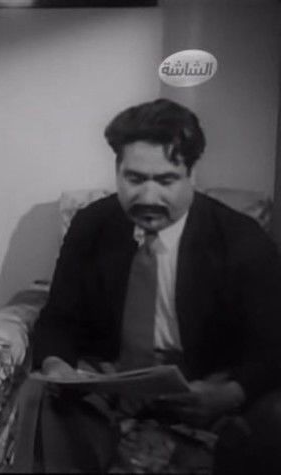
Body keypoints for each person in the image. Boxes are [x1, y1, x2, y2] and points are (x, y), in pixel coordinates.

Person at [16, 98, 281, 473]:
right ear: (117, 171)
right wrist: (58, 367)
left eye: (166, 180)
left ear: (192, 175)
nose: (148, 197)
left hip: (206, 389)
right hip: (111, 384)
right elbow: (58, 319)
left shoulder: (241, 238)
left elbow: (273, 345)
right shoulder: (92, 225)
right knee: (40, 394)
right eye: (135, 179)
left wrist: (228, 394)